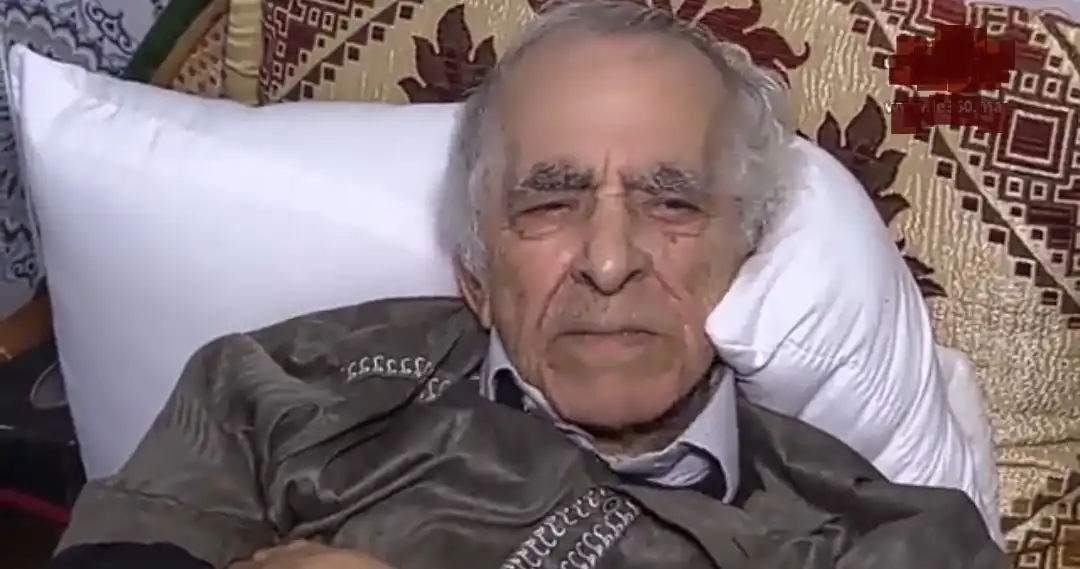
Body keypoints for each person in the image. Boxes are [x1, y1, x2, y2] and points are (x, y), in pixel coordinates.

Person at [48, 1, 1006, 568]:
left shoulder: (882, 538)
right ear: (475, 266)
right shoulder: (286, 388)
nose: (608, 260)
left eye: (671, 202)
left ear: (743, 249)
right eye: (550, 203)